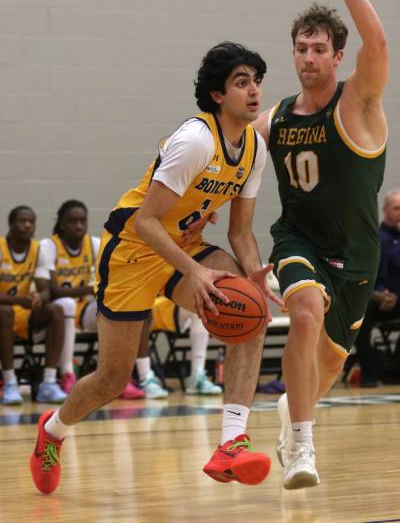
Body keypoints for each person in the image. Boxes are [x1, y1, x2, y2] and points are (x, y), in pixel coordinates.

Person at [30, 41, 281, 494]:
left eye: (257, 81)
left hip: (182, 246)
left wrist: (255, 272)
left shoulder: (254, 152)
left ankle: (231, 443)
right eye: (241, 82)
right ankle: (52, 431)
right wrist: (198, 271)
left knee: (251, 312)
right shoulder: (195, 140)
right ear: (218, 95)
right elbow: (145, 221)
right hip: (131, 250)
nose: (254, 91)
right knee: (112, 378)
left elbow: (241, 233)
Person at [254, 0, 388, 489]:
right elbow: (226, 158)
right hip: (298, 241)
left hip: (356, 257)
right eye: (300, 48)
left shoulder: (357, 105)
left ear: (338, 57)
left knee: (330, 365)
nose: (308, 57)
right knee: (304, 314)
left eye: (319, 49)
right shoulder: (276, 119)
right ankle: (304, 449)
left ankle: (291, 417)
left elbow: (378, 42)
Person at [38, 200, 147, 399]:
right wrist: (90, 288)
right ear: (62, 224)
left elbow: (112, 279)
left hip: (87, 310)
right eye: (73, 221)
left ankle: (120, 378)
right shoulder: (49, 246)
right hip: (60, 314)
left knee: (120, 306)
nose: (79, 225)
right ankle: (67, 373)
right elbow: (53, 291)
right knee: (66, 304)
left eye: (82, 221)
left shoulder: (96, 244)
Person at [0, 206, 67, 404]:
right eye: (22, 221)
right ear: (11, 225)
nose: (28, 225)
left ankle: (48, 382)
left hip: (22, 313)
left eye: (31, 221)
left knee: (56, 310)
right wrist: (18, 301)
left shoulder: (39, 250)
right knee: (4, 311)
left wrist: (40, 297)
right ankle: (10, 382)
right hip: (4, 312)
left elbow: (46, 289)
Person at [354, 190, 400, 387]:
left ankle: (395, 369)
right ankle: (369, 373)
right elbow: (361, 276)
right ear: (385, 210)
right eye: (397, 208)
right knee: (359, 311)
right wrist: (377, 295)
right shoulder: (374, 238)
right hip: (374, 299)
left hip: (398, 300)